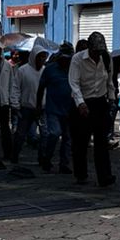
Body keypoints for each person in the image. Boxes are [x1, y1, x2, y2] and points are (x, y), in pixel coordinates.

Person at [68, 31, 116, 188]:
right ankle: (81, 174)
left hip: (100, 102)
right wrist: (80, 103)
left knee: (101, 142)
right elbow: (74, 83)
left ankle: (104, 176)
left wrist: (112, 99)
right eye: (95, 51)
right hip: (82, 102)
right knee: (80, 142)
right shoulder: (77, 59)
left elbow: (109, 81)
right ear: (89, 48)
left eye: (100, 51)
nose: (98, 55)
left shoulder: (106, 58)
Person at [36, 45, 74, 173]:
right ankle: (47, 158)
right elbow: (41, 88)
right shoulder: (50, 69)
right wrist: (38, 105)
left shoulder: (74, 69)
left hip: (69, 109)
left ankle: (64, 164)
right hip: (53, 109)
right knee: (54, 133)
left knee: (67, 138)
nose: (65, 61)